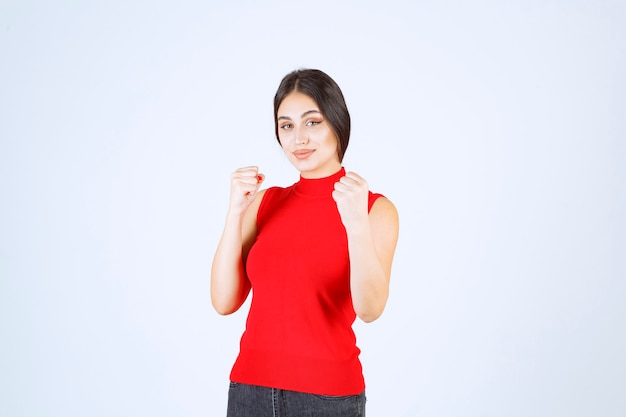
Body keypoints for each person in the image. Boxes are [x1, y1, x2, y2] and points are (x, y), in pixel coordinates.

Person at [211, 68, 399, 417]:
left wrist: (355, 222)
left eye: (312, 122)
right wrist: (234, 213)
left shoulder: (375, 209)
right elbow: (223, 301)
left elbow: (370, 309)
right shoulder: (265, 202)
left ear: (337, 123)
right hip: (249, 391)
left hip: (327, 398)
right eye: (287, 125)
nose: (299, 138)